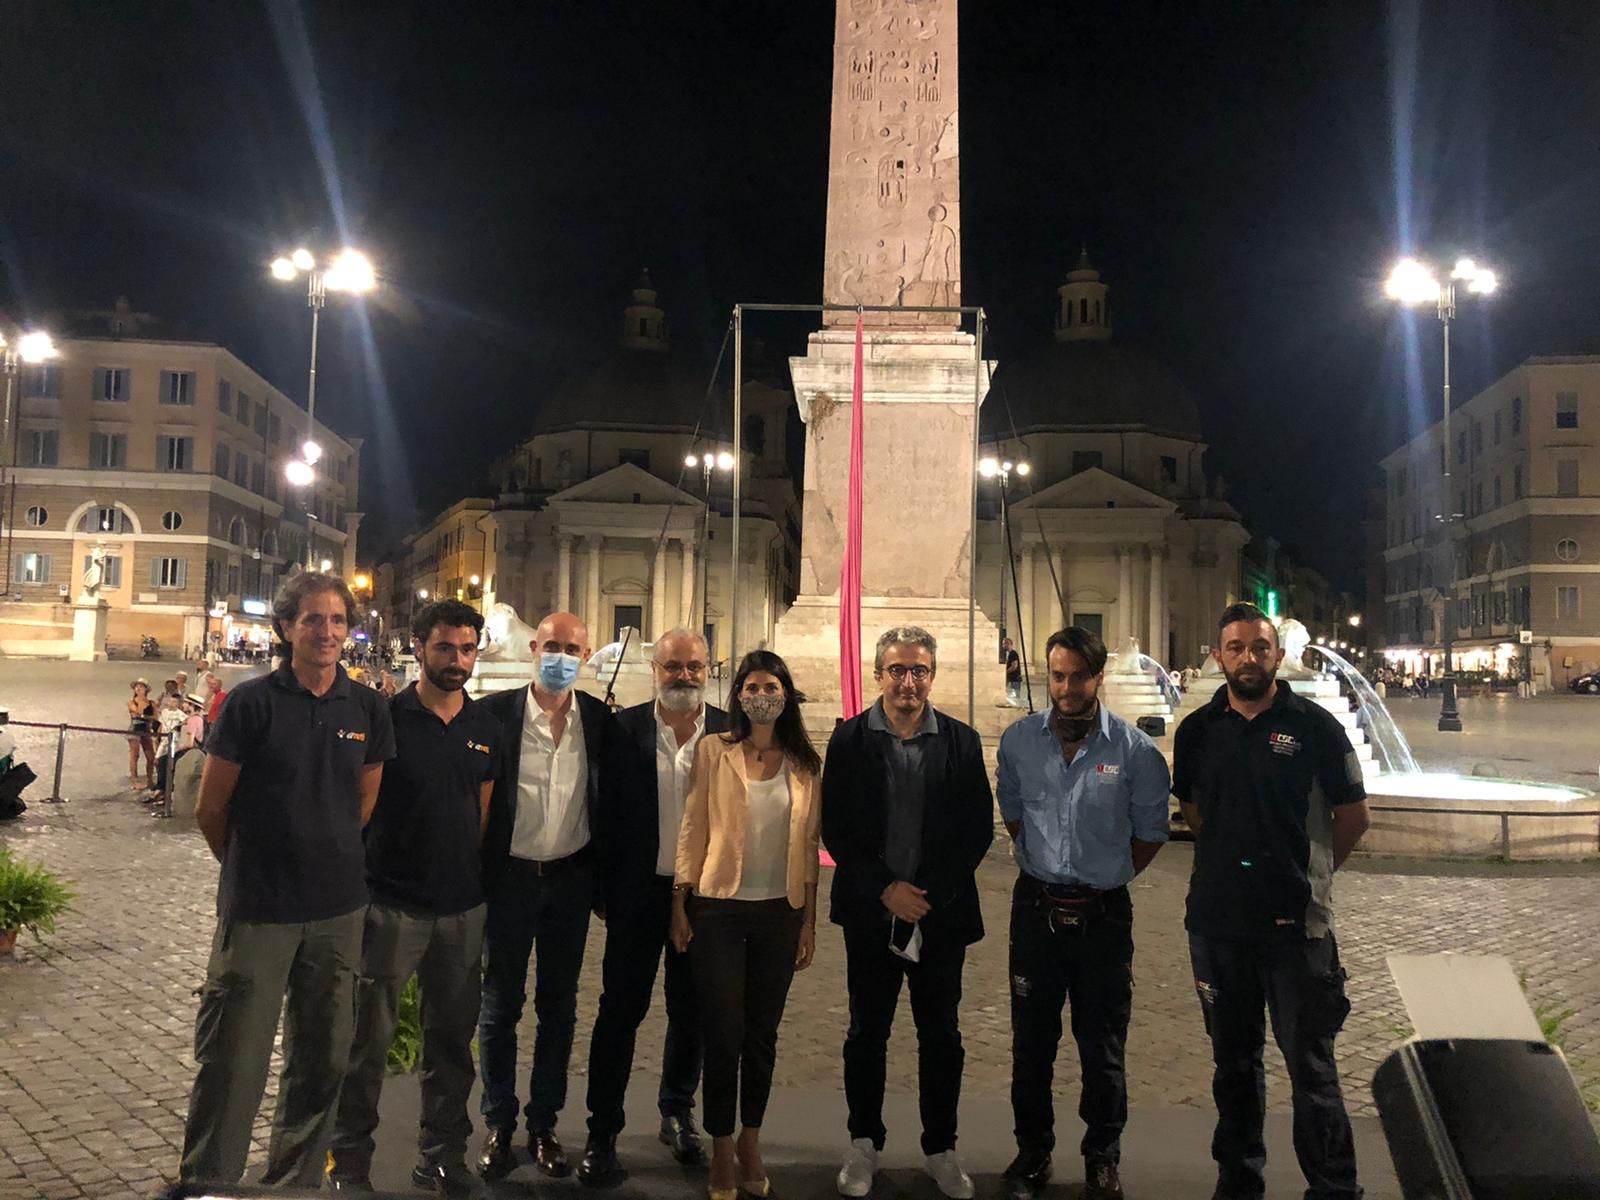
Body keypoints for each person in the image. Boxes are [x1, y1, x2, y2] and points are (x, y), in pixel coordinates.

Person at [178, 572, 395, 1187]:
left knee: (322, 1059)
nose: (326, 632)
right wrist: (254, 865)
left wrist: (319, 853)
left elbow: (364, 800)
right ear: (285, 629)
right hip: (259, 912)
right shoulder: (251, 704)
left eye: (336, 620)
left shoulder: (368, 707)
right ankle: (210, 1183)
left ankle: (294, 1183)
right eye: (312, 620)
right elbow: (211, 808)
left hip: (338, 911)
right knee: (233, 1060)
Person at [1174, 602, 1371, 1200]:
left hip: (1296, 931)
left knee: (1311, 1069)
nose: (1248, 658)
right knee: (1233, 1066)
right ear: (1218, 656)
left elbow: (1354, 818)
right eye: (1235, 648)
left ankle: (1333, 1187)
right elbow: (1193, 810)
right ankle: (1238, 1181)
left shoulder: (1315, 726)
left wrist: (1307, 877)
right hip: (1217, 924)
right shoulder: (1198, 730)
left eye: (1259, 647)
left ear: (1277, 655)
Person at [328, 600, 502, 1194]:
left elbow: (480, 815)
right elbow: (360, 807)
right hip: (391, 906)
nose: (458, 660)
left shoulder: (484, 727)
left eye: (468, 649)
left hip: (461, 909)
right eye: (446, 648)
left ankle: (443, 1154)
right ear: (420, 648)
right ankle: (349, 1162)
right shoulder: (385, 716)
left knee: (452, 1045)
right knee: (366, 1044)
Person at [996, 626, 1172, 1200]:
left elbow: (1149, 836)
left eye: (1078, 676)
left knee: (1102, 1046)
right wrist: (1051, 863)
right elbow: (1014, 814)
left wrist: (1103, 874)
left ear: (1098, 678)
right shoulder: (1017, 743)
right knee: (1031, 1043)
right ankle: (1032, 1150)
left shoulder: (1137, 753)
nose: (1066, 687)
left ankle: (1102, 1156)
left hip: (1103, 915)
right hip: (1036, 907)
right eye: (1057, 675)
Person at [825, 627, 994, 1200]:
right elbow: (838, 829)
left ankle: (941, 1148)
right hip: (872, 913)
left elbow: (975, 830)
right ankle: (863, 1143)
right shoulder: (847, 741)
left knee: (941, 1035)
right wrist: (885, 890)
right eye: (897, 669)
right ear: (879, 673)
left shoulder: (962, 742)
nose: (908, 681)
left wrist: (925, 897)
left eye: (919, 670)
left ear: (932, 675)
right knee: (866, 1032)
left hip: (938, 916)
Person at [670, 650, 821, 1200]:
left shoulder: (805, 763)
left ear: (786, 694)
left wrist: (808, 921)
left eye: (772, 684)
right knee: (723, 1033)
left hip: (779, 911)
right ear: (739, 696)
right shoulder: (715, 751)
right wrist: (680, 901)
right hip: (719, 907)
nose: (762, 694)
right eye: (752, 685)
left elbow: (809, 846)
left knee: (762, 1036)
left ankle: (751, 1139)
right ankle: (720, 1145)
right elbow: (693, 825)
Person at [579, 629, 725, 1184]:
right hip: (638, 894)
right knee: (620, 1012)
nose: (684, 675)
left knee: (691, 1014)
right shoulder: (623, 729)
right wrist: (604, 892)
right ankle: (602, 1129)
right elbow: (601, 810)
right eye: (673, 666)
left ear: (707, 668)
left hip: (705, 897)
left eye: (693, 665)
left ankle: (677, 1111)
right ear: (654, 669)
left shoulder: (729, 733)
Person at [475, 611, 610, 1181]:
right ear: (534, 648)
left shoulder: (601, 722)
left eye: (572, 648)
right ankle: (498, 1122)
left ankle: (544, 1122)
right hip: (507, 879)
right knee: (500, 1005)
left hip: (569, 880)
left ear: (586, 653)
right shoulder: (494, 716)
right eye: (552, 646)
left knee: (559, 1008)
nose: (561, 657)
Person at [126, 679, 157, 790]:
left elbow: (154, 717)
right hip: (135, 729)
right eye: (137, 687)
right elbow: (137, 712)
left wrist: (144, 716)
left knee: (150, 756)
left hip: (146, 729)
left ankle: (150, 780)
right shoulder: (131, 702)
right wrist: (141, 704)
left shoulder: (151, 703)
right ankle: (135, 781)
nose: (138, 689)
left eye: (141, 687)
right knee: (135, 755)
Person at [1004, 637, 1023, 707]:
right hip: (1012, 680)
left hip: (1015, 680)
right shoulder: (1010, 654)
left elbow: (1014, 666)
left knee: (1015, 699)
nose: (1002, 646)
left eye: (1004, 644)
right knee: (1013, 698)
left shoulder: (1013, 654)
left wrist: (1005, 672)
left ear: (1008, 644)